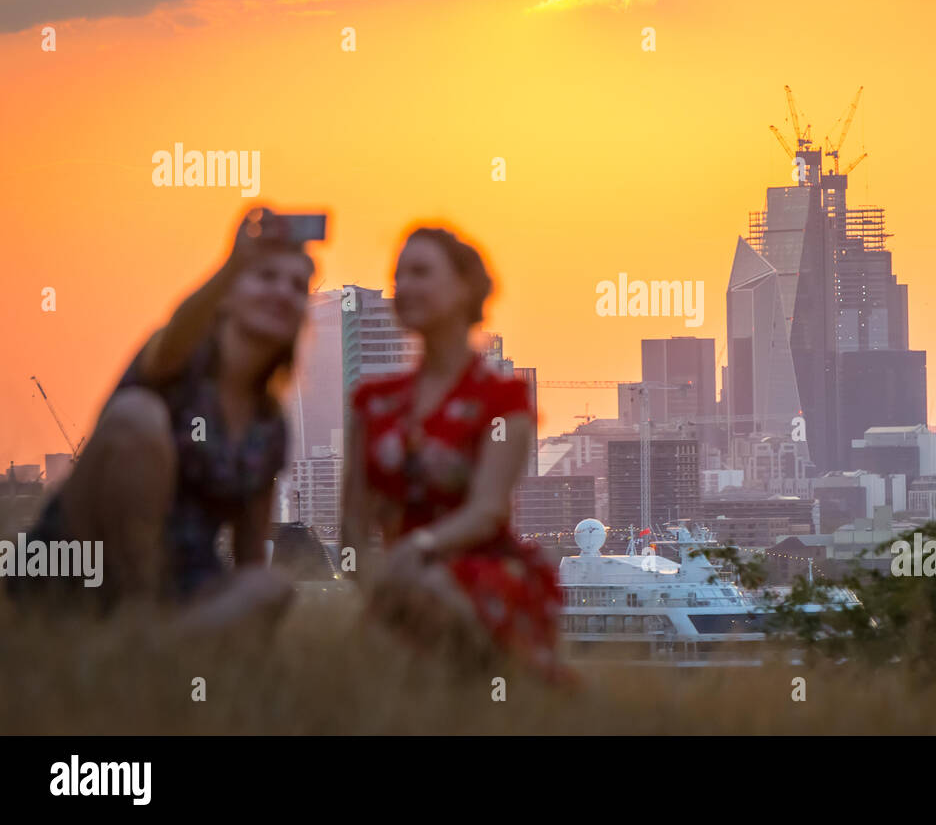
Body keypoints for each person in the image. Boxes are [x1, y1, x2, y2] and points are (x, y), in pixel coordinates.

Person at [9, 207, 314, 633]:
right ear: (227, 295)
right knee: (137, 416)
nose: (282, 292)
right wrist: (232, 264)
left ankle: (146, 643)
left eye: (298, 286)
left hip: (181, 587)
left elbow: (250, 549)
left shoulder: (269, 426)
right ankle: (128, 615)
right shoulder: (176, 360)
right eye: (265, 277)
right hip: (83, 559)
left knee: (270, 587)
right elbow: (174, 337)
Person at [342, 227, 569, 682]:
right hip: (399, 582)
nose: (405, 286)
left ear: (466, 287)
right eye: (399, 276)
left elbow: (488, 510)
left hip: (486, 574)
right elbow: (352, 521)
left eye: (422, 272)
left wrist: (419, 550)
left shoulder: (503, 399)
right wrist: (374, 582)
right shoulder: (372, 401)